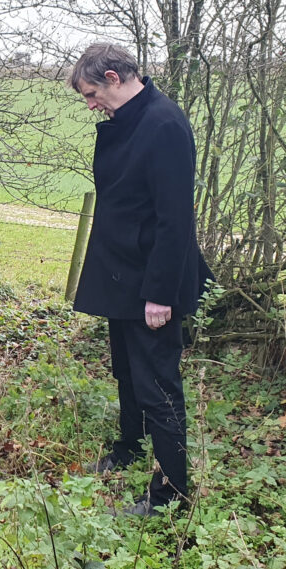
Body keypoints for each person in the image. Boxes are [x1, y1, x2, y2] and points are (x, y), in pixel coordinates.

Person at [70, 43, 213, 516]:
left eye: (91, 93)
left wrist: (160, 292)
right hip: (120, 272)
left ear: (113, 77)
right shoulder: (127, 119)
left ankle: (171, 493)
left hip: (150, 278)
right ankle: (130, 447)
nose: (90, 105)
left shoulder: (164, 124)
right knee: (127, 373)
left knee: (158, 383)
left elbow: (174, 220)